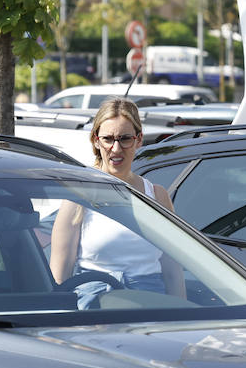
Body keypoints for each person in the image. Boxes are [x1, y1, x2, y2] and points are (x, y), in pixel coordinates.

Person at [49, 97, 184, 307]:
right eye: (108, 138)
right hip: (93, 305)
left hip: (151, 305)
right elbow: (59, 277)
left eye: (125, 138)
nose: (116, 148)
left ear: (139, 140)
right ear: (96, 140)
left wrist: (181, 318)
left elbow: (173, 272)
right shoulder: (78, 197)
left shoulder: (157, 196)